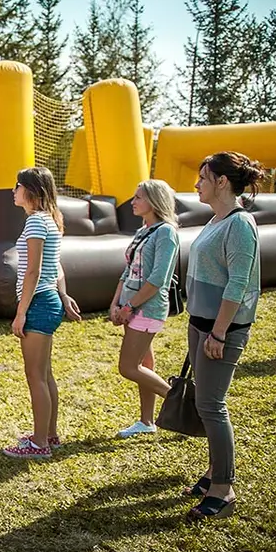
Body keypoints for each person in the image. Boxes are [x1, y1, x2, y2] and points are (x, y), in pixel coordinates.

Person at [182, 151, 267, 522]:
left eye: (203, 177)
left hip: (221, 331)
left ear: (221, 181)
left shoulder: (240, 223)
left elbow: (238, 283)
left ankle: (224, 488)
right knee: (204, 403)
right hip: (201, 325)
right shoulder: (214, 220)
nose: (197, 184)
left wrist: (218, 333)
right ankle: (212, 475)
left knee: (212, 406)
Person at [5, 167, 81, 460]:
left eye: (18, 185)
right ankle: (49, 434)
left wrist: (20, 313)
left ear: (31, 191)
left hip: (38, 302)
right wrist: (63, 294)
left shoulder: (37, 223)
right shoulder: (49, 221)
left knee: (35, 375)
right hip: (48, 300)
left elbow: (35, 271)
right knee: (45, 374)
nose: (13, 191)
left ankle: (39, 444)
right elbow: (56, 267)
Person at [109, 179, 180, 438]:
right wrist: (116, 302)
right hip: (131, 306)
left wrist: (128, 306)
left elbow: (158, 279)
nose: (133, 201)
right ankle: (146, 421)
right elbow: (128, 271)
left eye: (139, 197)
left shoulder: (166, 232)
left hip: (147, 309)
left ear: (154, 201)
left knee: (128, 367)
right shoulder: (143, 231)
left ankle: (181, 403)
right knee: (145, 363)